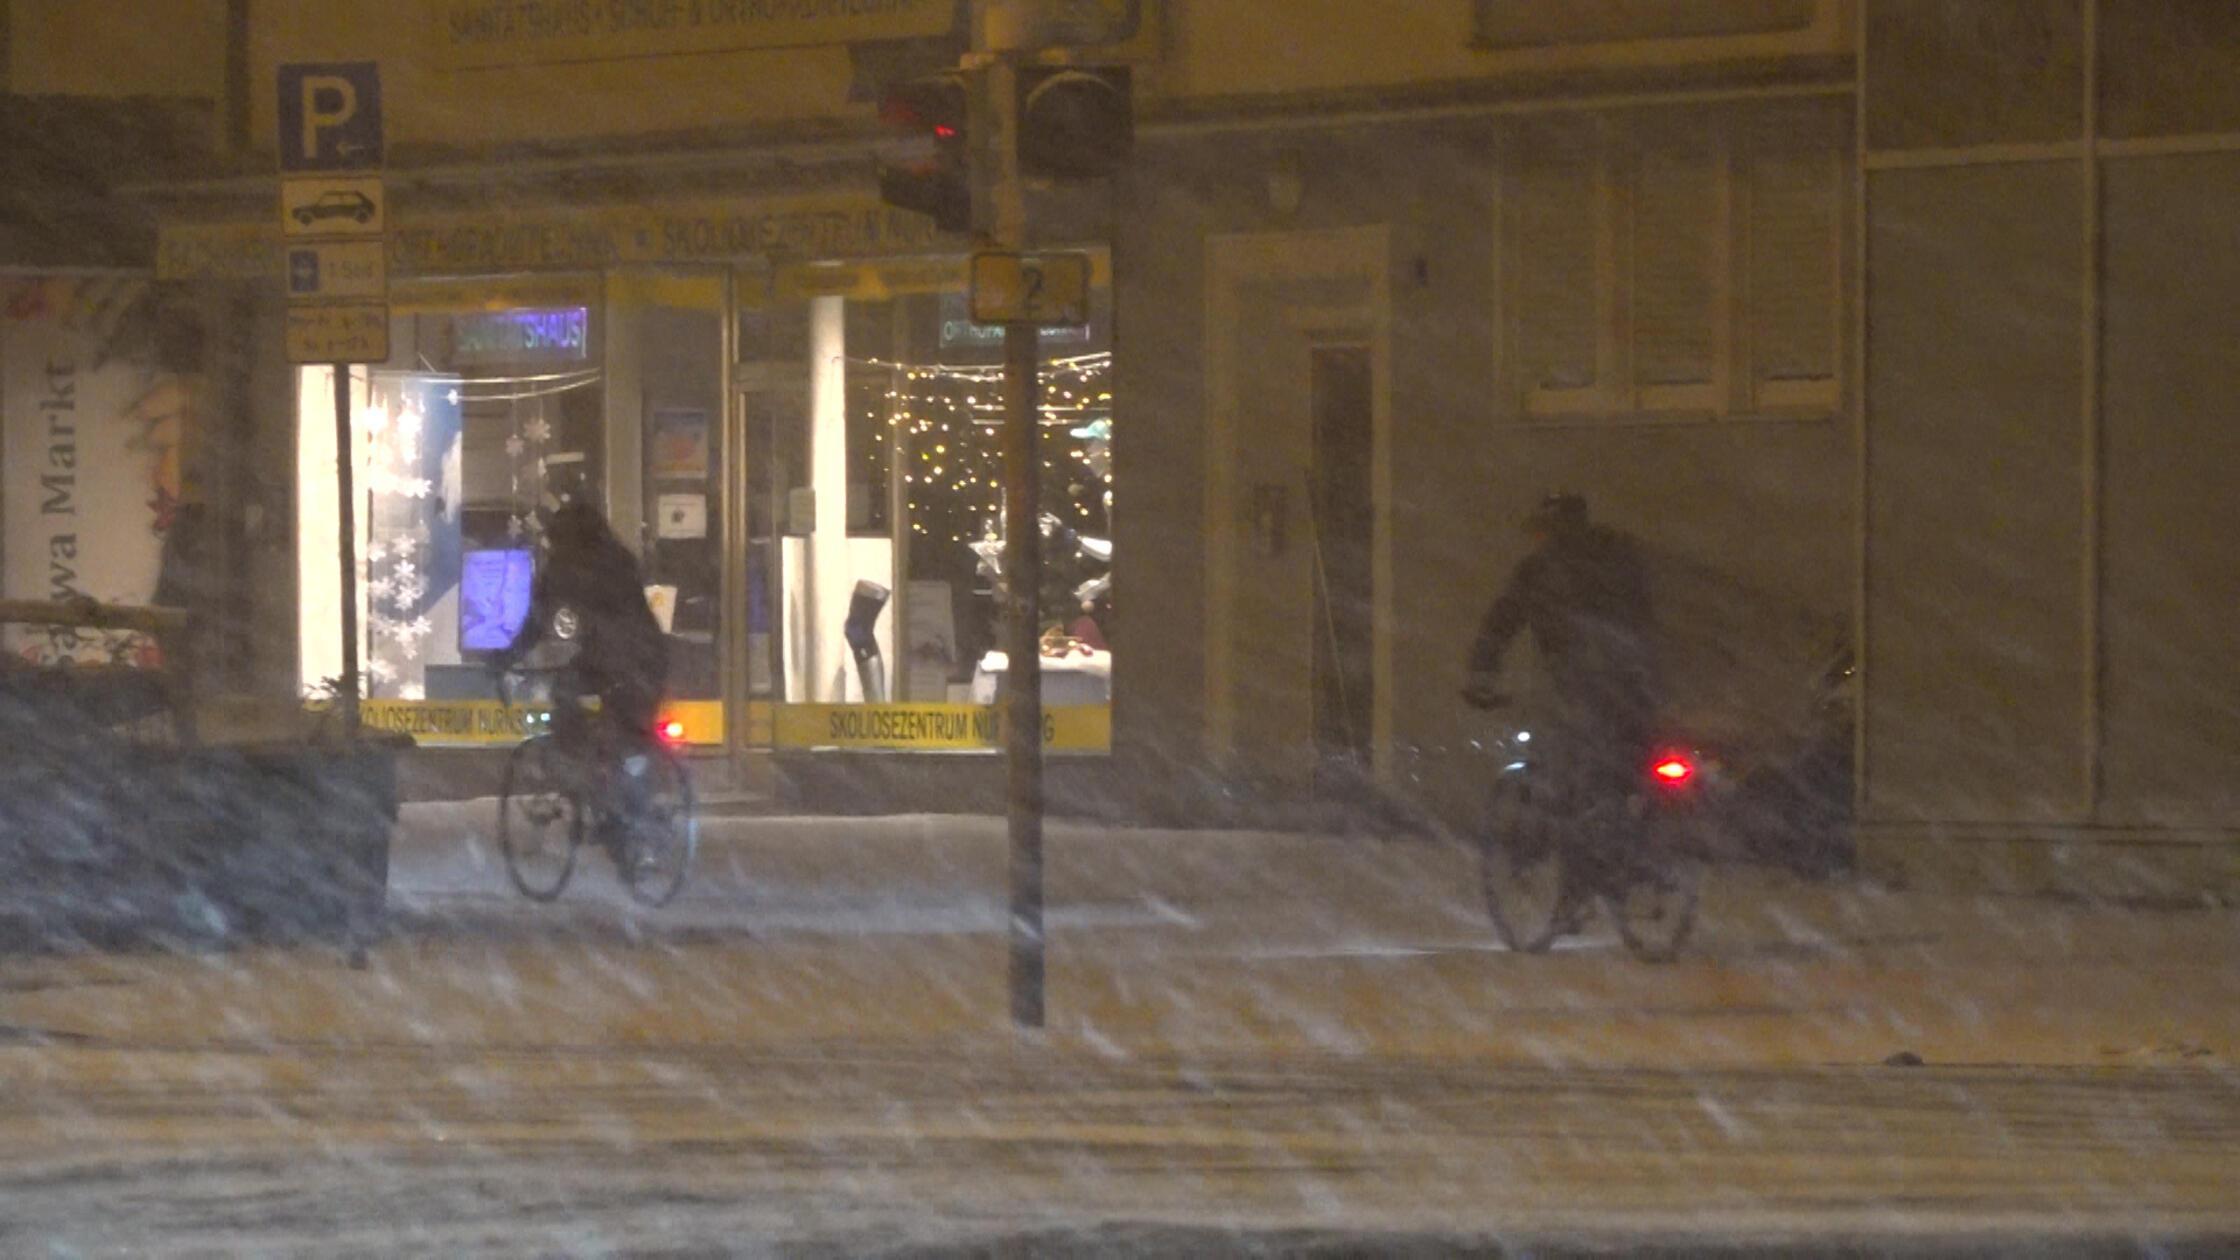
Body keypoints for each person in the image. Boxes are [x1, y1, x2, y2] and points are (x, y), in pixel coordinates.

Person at [1464, 492, 1660, 806]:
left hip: (1572, 686)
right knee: (1608, 770)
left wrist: (1482, 673)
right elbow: (1642, 623)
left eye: (1544, 531)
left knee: (1557, 764)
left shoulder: (1540, 571)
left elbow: (1500, 624)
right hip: (1627, 690)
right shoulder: (1618, 565)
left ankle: (1567, 813)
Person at [499, 500, 669, 756]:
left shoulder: (565, 567)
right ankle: (617, 775)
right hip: (646, 659)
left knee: (566, 692)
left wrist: (505, 658)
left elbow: (536, 620)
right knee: (627, 738)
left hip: (615, 661)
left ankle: (588, 775)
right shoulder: (618, 558)